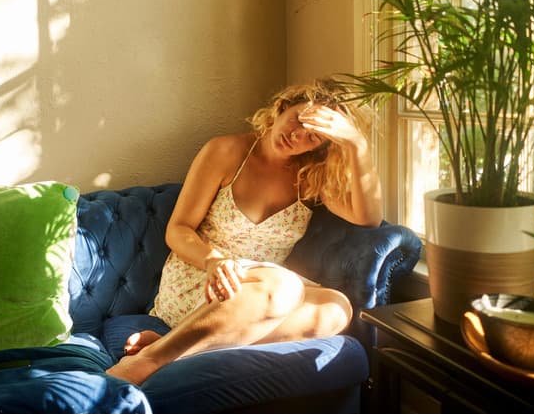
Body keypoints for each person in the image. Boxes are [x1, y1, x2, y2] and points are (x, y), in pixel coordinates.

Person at [106, 78, 383, 385]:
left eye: (313, 136)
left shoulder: (308, 177)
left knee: (337, 308)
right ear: (283, 107)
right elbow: (178, 229)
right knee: (284, 286)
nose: (297, 136)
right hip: (206, 277)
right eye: (298, 120)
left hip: (263, 292)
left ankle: (169, 347)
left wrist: (357, 145)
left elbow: (368, 217)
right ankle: (145, 362)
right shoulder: (225, 151)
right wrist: (213, 261)